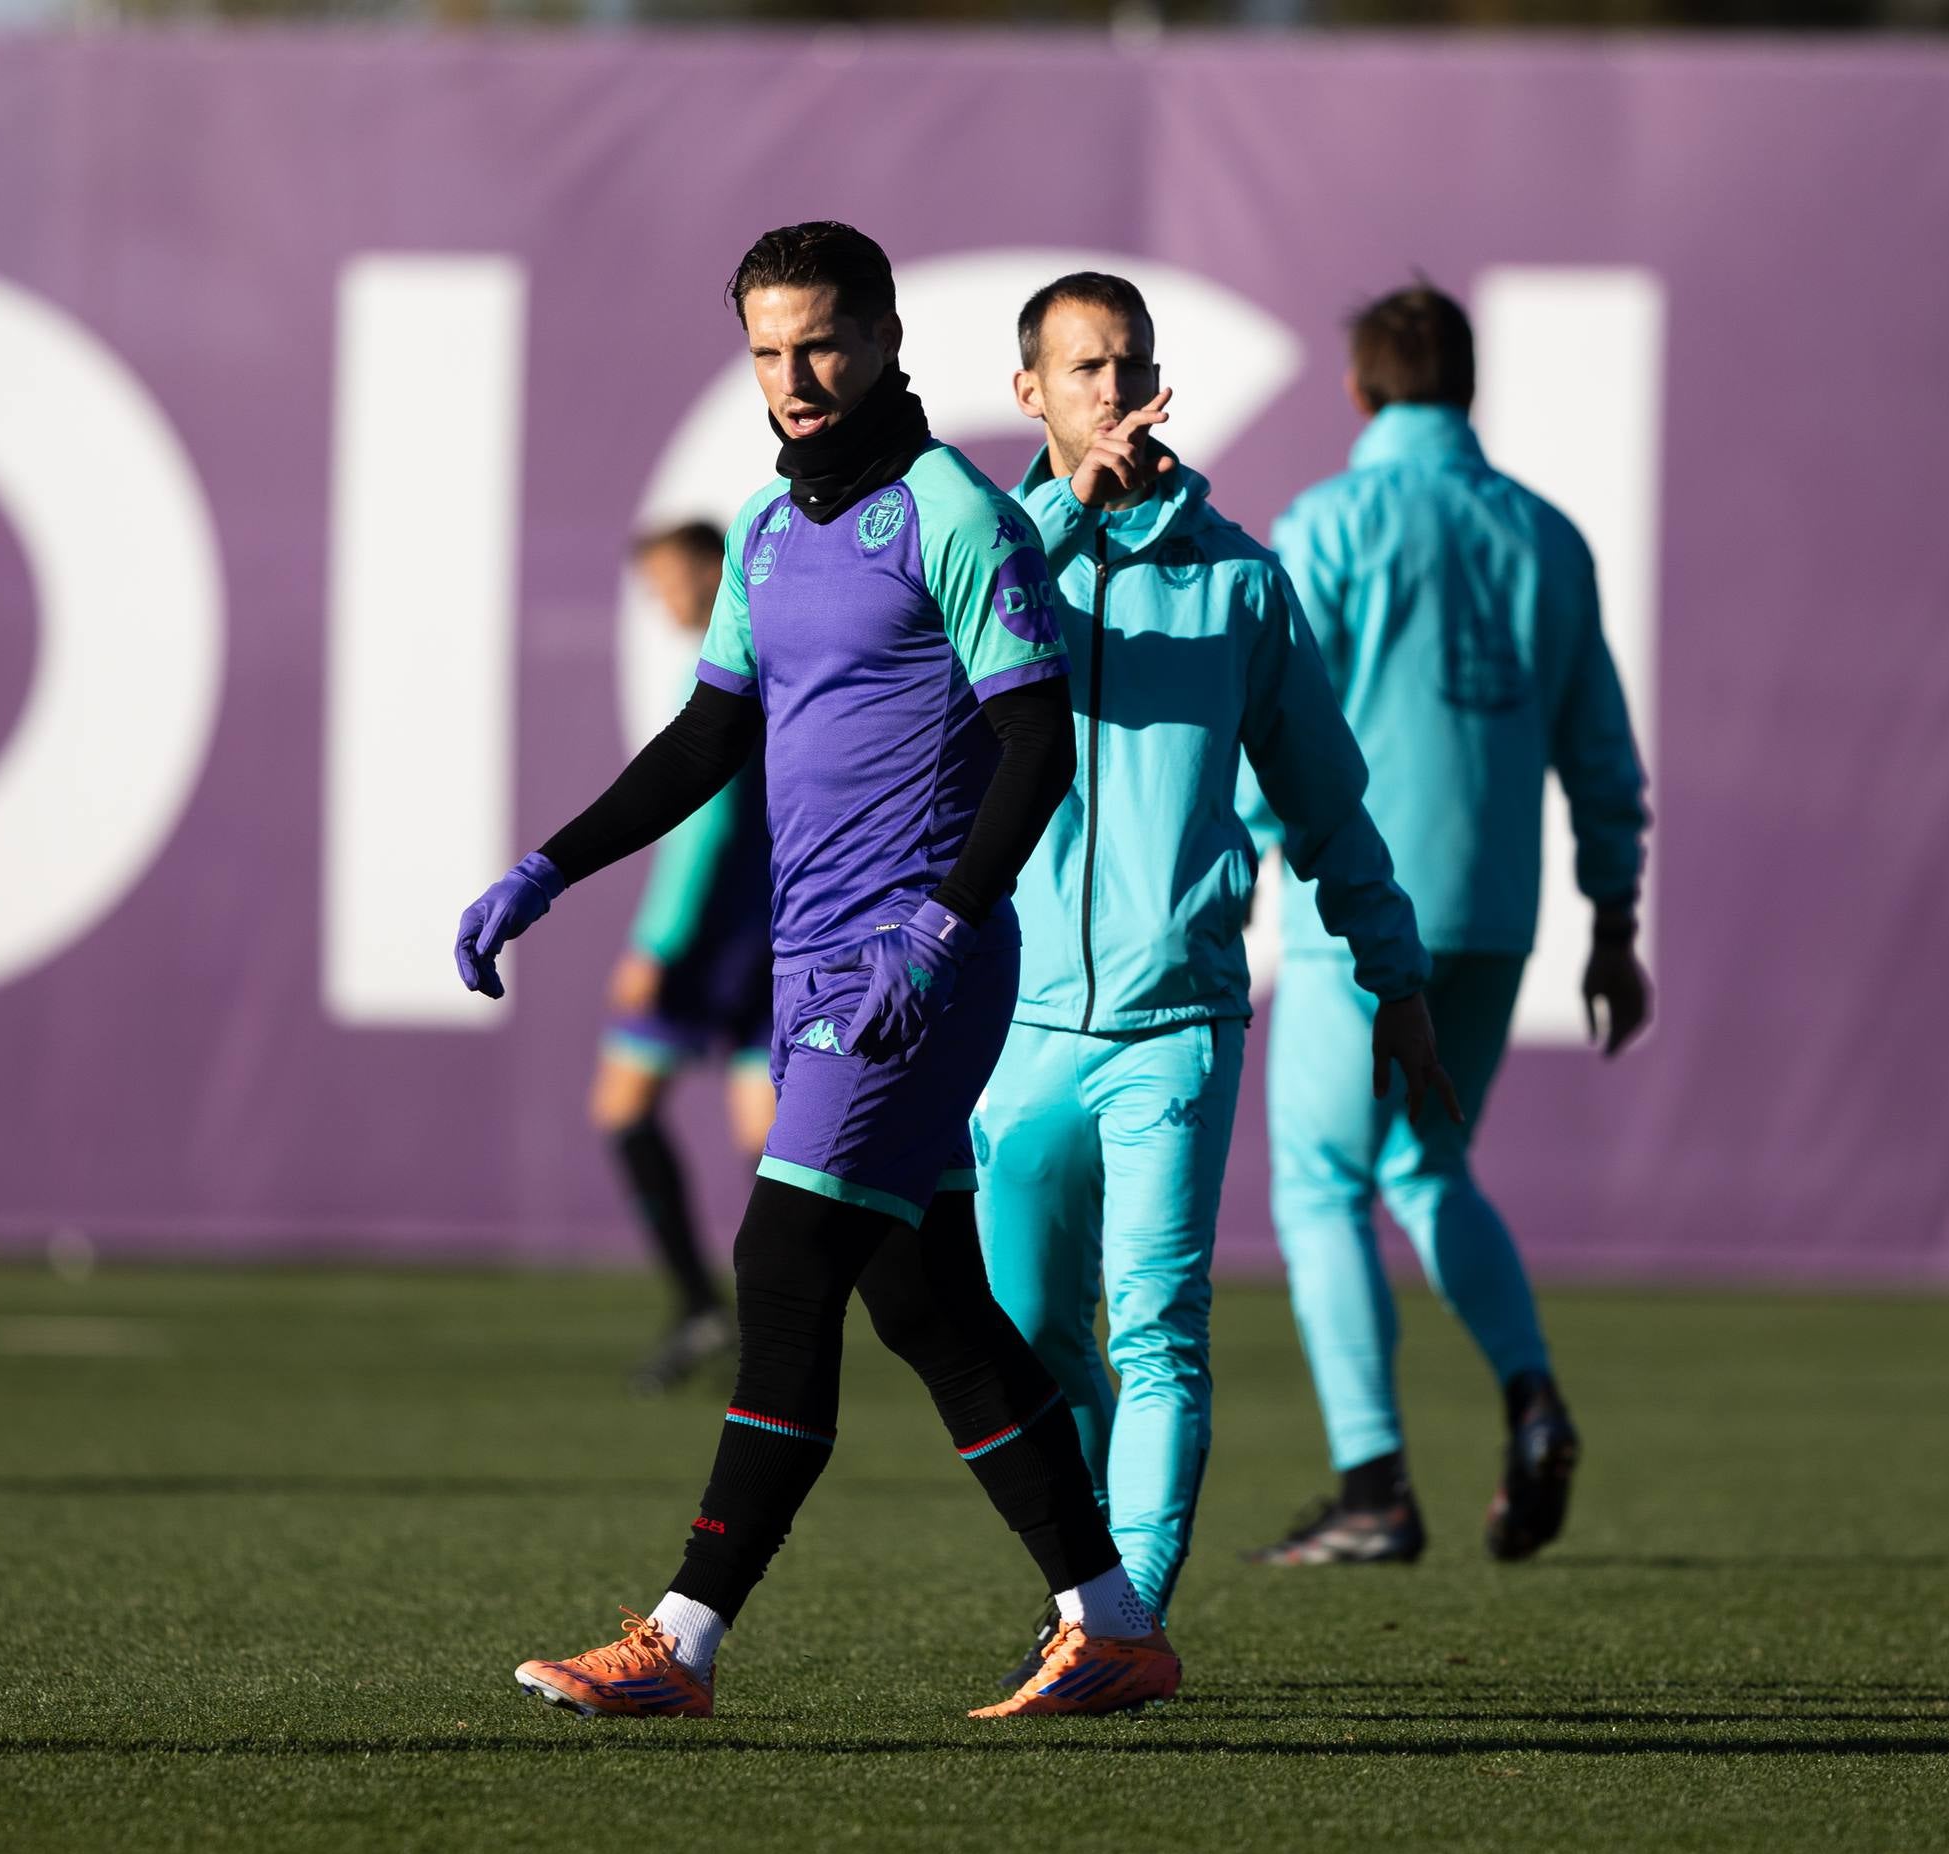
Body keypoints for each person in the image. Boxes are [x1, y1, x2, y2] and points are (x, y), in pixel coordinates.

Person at [463, 223, 1448, 1722]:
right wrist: (548, 866)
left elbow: (1037, 743)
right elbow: (707, 739)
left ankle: (684, 1639)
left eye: (822, 345)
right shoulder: (765, 532)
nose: (794, 378)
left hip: (917, 974)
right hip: (811, 977)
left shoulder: (956, 515)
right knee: (932, 1305)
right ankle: (1110, 1619)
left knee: (783, 1267)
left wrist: (939, 923)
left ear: (883, 340)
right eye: (766, 352)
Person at [972, 275, 1451, 1682]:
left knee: (1157, 1331)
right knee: (1020, 1347)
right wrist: (1062, 515)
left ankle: (1128, 1625)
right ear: (1030, 395)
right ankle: (1086, 1597)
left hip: (1174, 1019)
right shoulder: (994, 559)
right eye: (1079, 370)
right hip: (1016, 1025)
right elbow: (938, 698)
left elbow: (1325, 802)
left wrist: (1395, 973)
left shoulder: (1237, 577)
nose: (1107, 392)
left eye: (1126, 365)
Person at [1246, 280, 1651, 1568]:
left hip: (1356, 909)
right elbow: (1599, 751)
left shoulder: (1329, 521)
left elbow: (1279, 717)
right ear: (1469, 389)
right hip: (1494, 910)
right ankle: (1530, 1395)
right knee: (1425, 1167)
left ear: (1360, 392)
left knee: (1319, 1182)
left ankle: (1373, 1488)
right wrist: (1610, 920)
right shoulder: (1547, 536)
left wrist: (1238, 853)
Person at [598, 523, 776, 1394]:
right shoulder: (783, 661)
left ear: (714, 572)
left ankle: (704, 1307)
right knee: (766, 1140)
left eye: (670, 579)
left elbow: (703, 823)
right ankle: (773, 1320)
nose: (662, 600)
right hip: (774, 934)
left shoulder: (724, 669)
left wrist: (656, 942)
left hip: (709, 942)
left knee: (625, 1108)